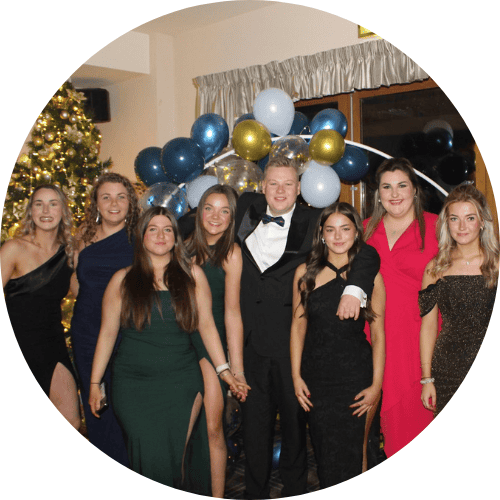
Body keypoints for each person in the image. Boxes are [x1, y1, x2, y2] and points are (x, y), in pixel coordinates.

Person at [234, 156, 380, 498]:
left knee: (297, 435)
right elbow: (197, 224)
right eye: (273, 183)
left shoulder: (316, 220)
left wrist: (354, 288)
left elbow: (366, 252)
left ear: (299, 189)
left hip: (295, 348)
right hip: (250, 345)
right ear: (261, 186)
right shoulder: (242, 210)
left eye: (288, 184)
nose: (280, 190)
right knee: (254, 433)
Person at [88, 207, 249, 493]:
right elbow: (108, 333)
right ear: (142, 236)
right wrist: (94, 383)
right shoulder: (122, 280)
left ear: (176, 238)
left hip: (181, 382)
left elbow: (207, 326)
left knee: (173, 462)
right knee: (147, 459)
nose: (160, 235)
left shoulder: (192, 275)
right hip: (133, 385)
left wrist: (225, 371)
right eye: (153, 229)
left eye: (167, 230)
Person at [291, 202, 386, 488]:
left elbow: (378, 334)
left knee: (359, 455)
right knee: (326, 456)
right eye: (330, 229)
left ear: (356, 232)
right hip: (317, 379)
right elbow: (297, 327)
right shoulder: (304, 272)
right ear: (321, 234)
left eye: (345, 229)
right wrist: (296, 376)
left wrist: (376, 385)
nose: (338, 236)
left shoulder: (369, 275)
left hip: (357, 376)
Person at [363, 157, 439, 457]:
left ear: (415, 190)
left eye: (402, 185)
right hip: (373, 336)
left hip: (419, 337)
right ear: (378, 193)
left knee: (415, 422)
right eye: (386, 187)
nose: (394, 194)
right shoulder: (365, 230)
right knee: (372, 431)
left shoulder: (437, 226)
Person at [70, 172, 139, 465]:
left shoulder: (140, 238)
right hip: (86, 332)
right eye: (106, 197)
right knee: (96, 404)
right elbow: (75, 283)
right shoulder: (82, 238)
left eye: (121, 197)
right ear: (96, 203)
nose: (113, 204)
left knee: (126, 406)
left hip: (126, 335)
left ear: (130, 203)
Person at [185, 184, 247, 498]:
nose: (215, 216)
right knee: (184, 427)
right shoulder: (182, 248)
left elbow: (233, 313)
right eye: (209, 208)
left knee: (212, 427)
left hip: (212, 346)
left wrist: (237, 370)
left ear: (232, 218)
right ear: (199, 212)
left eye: (224, 211)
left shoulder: (231, 253)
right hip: (178, 343)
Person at [1, 184, 80, 429]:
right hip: (17, 345)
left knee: (71, 420)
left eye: (53, 204)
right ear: (31, 211)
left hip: (52, 344)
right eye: (39, 204)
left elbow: (84, 293)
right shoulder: (13, 248)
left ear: (63, 211)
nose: (46, 211)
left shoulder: (69, 253)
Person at [419, 183, 498, 415]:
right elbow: (428, 327)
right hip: (448, 369)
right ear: (447, 223)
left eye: (470, 218)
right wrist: (427, 379)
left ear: (482, 221)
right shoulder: (435, 268)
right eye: (454, 219)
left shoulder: (496, 265)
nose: (462, 226)